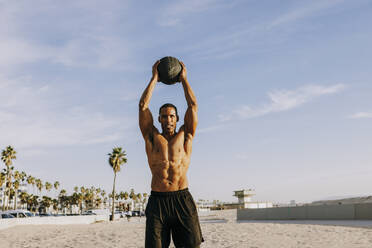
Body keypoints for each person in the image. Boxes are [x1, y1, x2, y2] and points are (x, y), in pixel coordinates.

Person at [139, 60, 203, 248]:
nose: (168, 119)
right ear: (158, 119)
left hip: (182, 198)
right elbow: (143, 106)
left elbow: (193, 106)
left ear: (177, 119)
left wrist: (184, 80)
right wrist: (154, 78)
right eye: (164, 116)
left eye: (172, 116)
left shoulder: (186, 135)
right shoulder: (151, 137)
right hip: (157, 201)